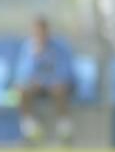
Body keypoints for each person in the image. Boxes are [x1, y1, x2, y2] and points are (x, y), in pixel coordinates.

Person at [14, 15, 76, 144]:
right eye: (37, 31)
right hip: (37, 87)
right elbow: (22, 73)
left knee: (59, 90)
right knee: (22, 91)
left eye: (42, 31)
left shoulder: (60, 48)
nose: (40, 34)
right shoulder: (28, 48)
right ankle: (30, 130)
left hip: (56, 85)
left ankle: (64, 131)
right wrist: (34, 57)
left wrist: (51, 81)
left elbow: (66, 70)